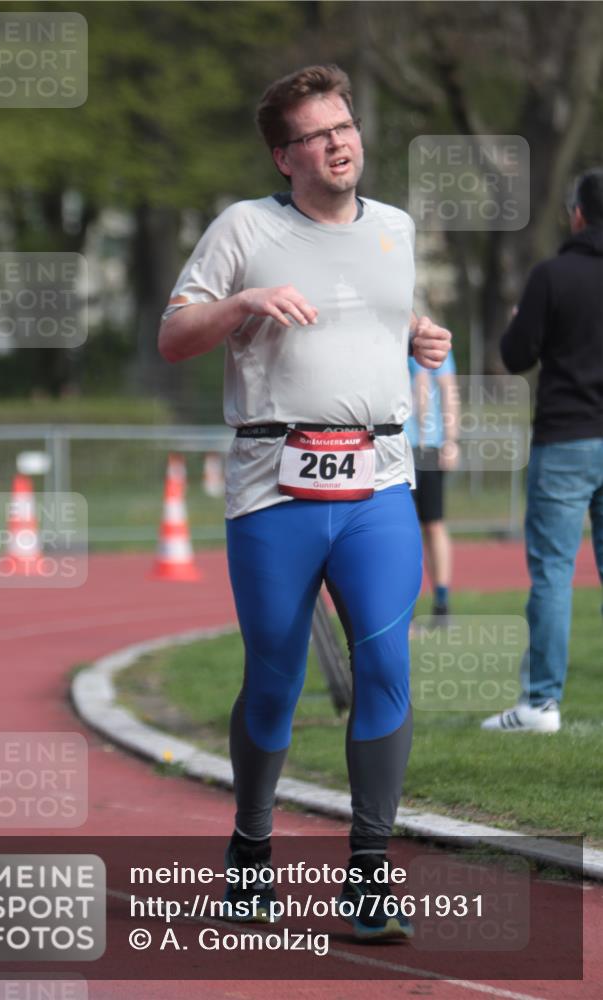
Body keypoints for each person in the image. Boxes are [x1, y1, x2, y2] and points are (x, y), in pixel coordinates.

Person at [159, 64, 451, 938]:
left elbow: (379, 318)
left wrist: (421, 335)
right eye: (318, 134)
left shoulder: (395, 229)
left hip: (376, 485)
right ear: (284, 156)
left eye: (345, 125)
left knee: (386, 668)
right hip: (273, 488)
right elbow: (174, 336)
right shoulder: (243, 228)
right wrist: (242, 301)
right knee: (275, 680)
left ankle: (368, 873)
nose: (339, 142)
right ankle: (249, 857)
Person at [482, 168, 603, 733]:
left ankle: (540, 704)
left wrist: (520, 323)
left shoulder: (553, 275)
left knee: (553, 573)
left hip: (566, 438)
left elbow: (515, 354)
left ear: (578, 214)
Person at [405, 350, 460, 620]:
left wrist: (451, 439)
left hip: (427, 448)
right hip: (396, 447)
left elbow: (447, 390)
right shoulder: (390, 340)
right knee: (404, 530)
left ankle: (441, 603)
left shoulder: (435, 344)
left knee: (434, 524)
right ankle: (406, 608)